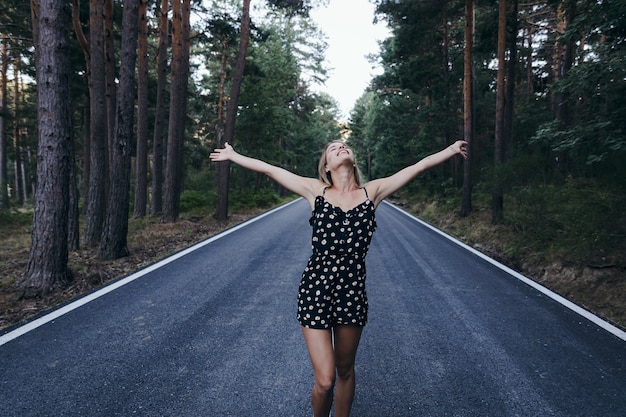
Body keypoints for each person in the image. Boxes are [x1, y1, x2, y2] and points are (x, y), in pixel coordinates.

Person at [209, 139, 468, 417]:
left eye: (344, 146)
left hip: (352, 291)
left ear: (353, 161)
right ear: (327, 167)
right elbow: (271, 170)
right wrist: (234, 156)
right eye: (333, 148)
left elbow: (417, 167)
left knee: (345, 370)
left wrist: (450, 151)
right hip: (315, 290)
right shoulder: (315, 191)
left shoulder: (373, 192)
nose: (340, 147)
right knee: (325, 380)